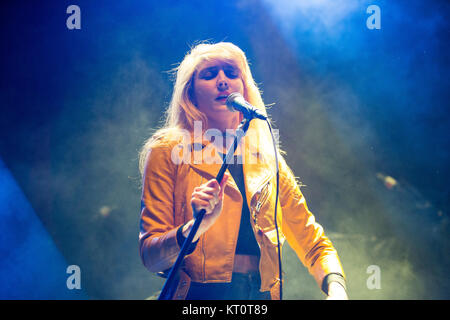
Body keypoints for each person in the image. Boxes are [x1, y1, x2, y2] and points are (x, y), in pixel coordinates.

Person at [138, 42, 348, 300]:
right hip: (200, 296)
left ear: (245, 86)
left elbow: (312, 242)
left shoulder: (267, 158)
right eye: (209, 74)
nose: (223, 81)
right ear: (190, 93)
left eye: (231, 72)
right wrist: (196, 227)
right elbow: (150, 256)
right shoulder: (167, 151)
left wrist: (336, 287)